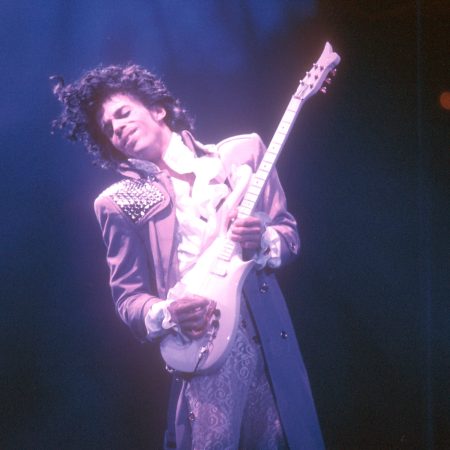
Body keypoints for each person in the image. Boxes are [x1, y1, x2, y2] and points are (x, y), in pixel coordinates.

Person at [52, 64, 324, 449]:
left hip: (267, 337)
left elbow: (288, 236)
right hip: (204, 344)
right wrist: (169, 312)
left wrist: (262, 238)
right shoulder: (117, 202)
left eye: (123, 113)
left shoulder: (241, 155)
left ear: (158, 109)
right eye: (109, 129)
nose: (118, 130)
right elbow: (129, 300)